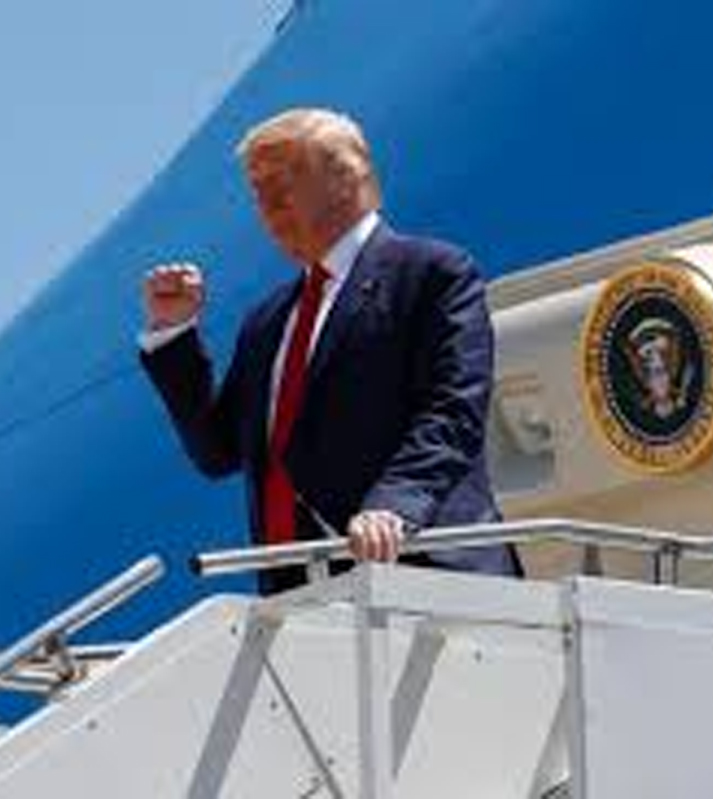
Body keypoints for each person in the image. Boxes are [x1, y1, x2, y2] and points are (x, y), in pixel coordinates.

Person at [139, 108, 521, 594]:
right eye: (257, 190)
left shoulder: (431, 273)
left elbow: (453, 410)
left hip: (424, 570)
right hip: (302, 594)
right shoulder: (267, 323)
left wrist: (395, 505)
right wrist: (174, 333)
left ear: (347, 176)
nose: (267, 203)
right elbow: (218, 452)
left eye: (281, 181)